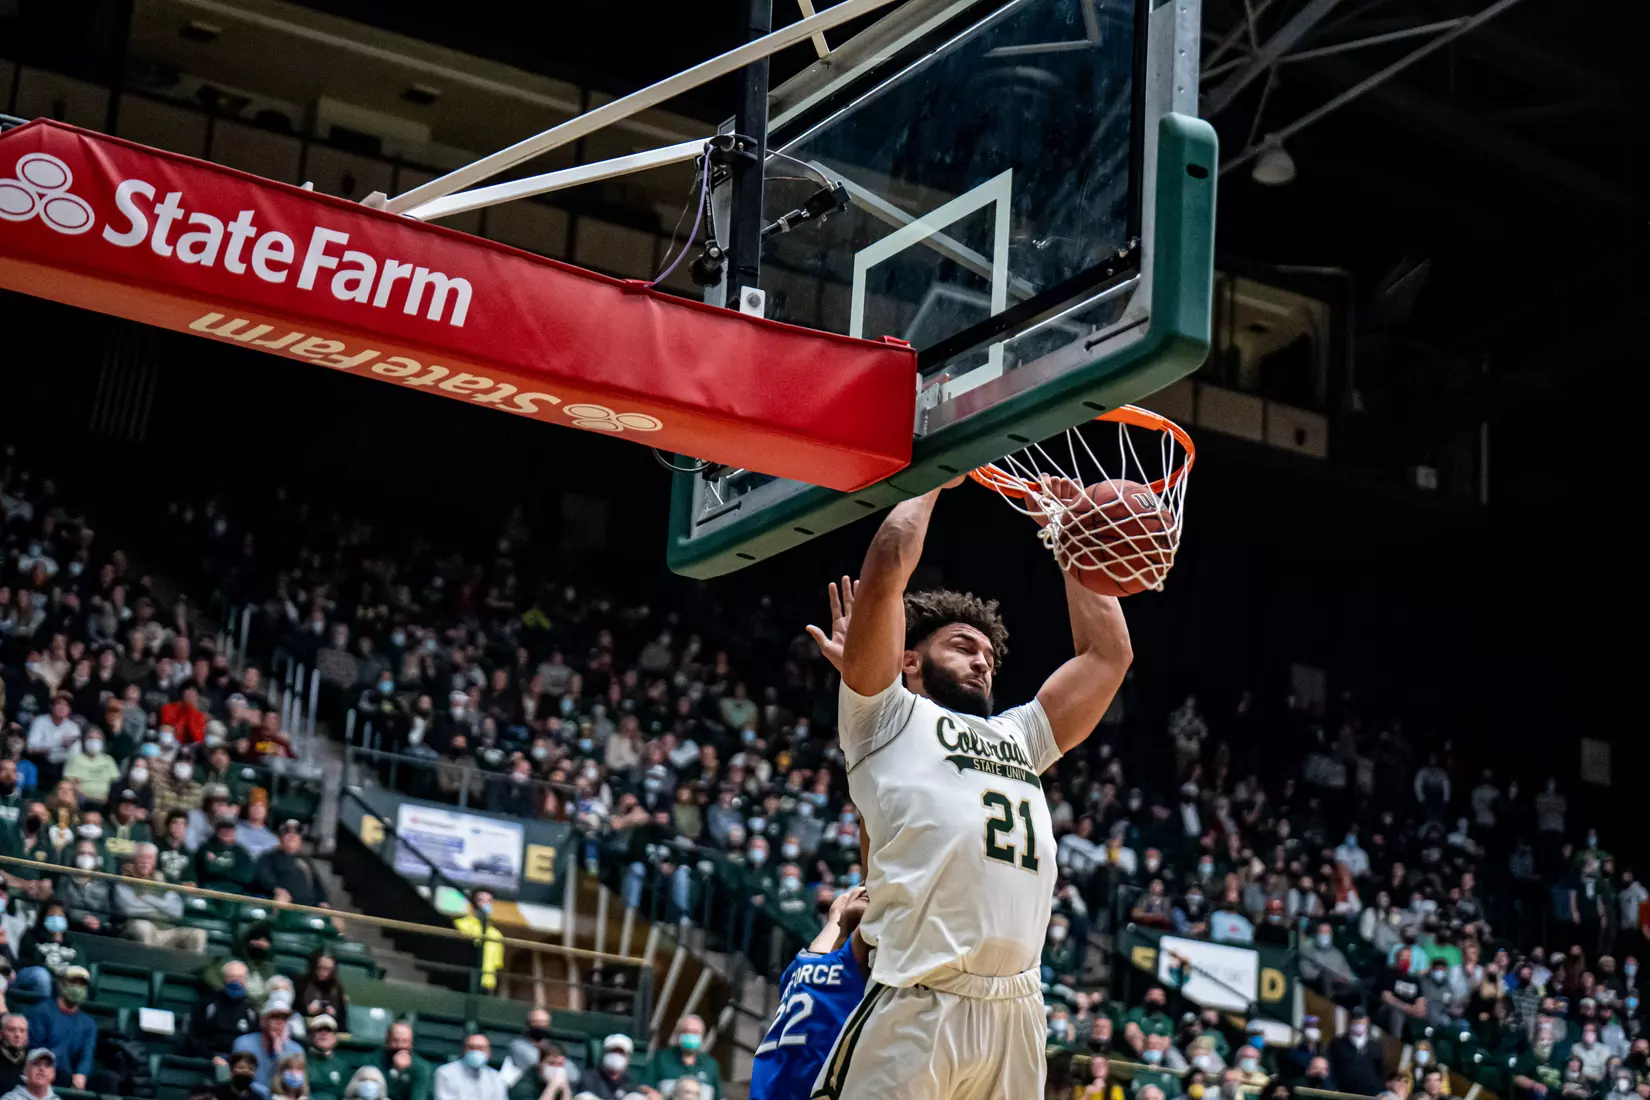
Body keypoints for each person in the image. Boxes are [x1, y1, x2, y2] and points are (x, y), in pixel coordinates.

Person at [802, 478, 1131, 1099]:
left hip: (1017, 1007)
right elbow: (888, 567)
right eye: (962, 646)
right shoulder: (885, 716)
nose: (983, 660)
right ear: (910, 661)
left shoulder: (1020, 735)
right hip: (918, 1002)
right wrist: (933, 476)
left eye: (988, 654)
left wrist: (1069, 537)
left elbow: (1108, 656)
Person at [116, 842, 208, 950]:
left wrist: (146, 899)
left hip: (166, 930)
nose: (145, 862)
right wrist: (162, 910)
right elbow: (129, 909)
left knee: (198, 934)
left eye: (149, 858)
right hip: (138, 926)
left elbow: (177, 911)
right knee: (142, 927)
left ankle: (194, 967)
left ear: (154, 861)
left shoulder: (161, 880)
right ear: (133, 860)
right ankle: (146, 965)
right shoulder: (125, 880)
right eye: (141, 857)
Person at [21, 969, 93, 1089]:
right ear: (61, 984)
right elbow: (35, 1048)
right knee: (63, 1076)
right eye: (73, 982)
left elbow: (87, 1053)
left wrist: (81, 1074)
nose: (77, 987)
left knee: (108, 1081)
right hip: (45, 1070)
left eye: (82, 984)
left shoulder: (88, 1023)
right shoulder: (42, 1011)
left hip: (71, 1077)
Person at [187, 959, 259, 1060]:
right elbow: (194, 1036)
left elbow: (254, 1042)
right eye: (232, 977)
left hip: (238, 1061)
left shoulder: (251, 1009)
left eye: (240, 977)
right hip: (209, 1058)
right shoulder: (208, 1003)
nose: (236, 981)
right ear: (225, 979)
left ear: (246, 980)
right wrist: (212, 1057)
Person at [230, 1002, 302, 1095]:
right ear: (262, 1020)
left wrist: (279, 1055)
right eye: (274, 1017)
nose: (279, 1022)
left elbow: (296, 1086)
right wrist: (266, 1094)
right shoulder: (243, 1043)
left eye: (284, 1018)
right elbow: (240, 1079)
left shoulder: (295, 1049)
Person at [255, 822, 329, 908]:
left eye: (296, 833)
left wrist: (324, 901)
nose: (292, 835)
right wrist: (276, 889)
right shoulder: (269, 857)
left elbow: (318, 885)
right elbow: (263, 877)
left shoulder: (306, 861)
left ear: (300, 840)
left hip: (309, 909)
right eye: (287, 832)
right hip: (281, 906)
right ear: (279, 838)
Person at [1330, 1009, 1385, 1097]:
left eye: (1362, 1023)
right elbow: (1332, 1068)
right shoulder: (1338, 1043)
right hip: (1344, 1094)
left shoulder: (1375, 1045)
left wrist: (1379, 1090)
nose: (1360, 1025)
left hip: (1370, 1094)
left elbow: (1380, 1070)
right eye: (1356, 1023)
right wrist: (1334, 1089)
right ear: (1350, 1023)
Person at [371, 1022, 431, 1100]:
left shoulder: (421, 1067)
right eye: (395, 1041)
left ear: (411, 1044)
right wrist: (395, 1071)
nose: (400, 1046)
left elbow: (419, 1097)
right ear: (387, 1042)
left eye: (405, 1041)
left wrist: (401, 1072)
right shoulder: (373, 1061)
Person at [433, 1036, 505, 1100]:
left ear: (489, 1053)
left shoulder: (496, 1078)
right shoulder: (445, 1073)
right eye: (472, 1048)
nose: (476, 1052)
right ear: (464, 1051)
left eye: (481, 1048)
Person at [304, 1016, 350, 1100]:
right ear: (310, 1035)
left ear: (335, 1037)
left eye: (328, 1030)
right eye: (319, 1030)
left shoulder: (342, 1065)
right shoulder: (302, 1061)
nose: (323, 1034)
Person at [297, 953, 348, 1024]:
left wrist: (334, 1014)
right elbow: (294, 1008)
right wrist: (306, 1010)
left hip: (328, 1026)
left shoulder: (337, 988)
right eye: (320, 968)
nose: (323, 972)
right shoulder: (303, 983)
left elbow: (342, 1018)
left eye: (327, 969)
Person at [582, 1035, 638, 1100]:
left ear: (628, 1059)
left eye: (620, 1053)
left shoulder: (630, 1084)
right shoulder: (589, 1079)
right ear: (604, 1054)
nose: (616, 1056)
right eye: (612, 1052)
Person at [0, 1016, 27, 1096]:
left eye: (22, 1031)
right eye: (11, 1030)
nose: (17, 1035)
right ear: (1, 1033)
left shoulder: (32, 1057)